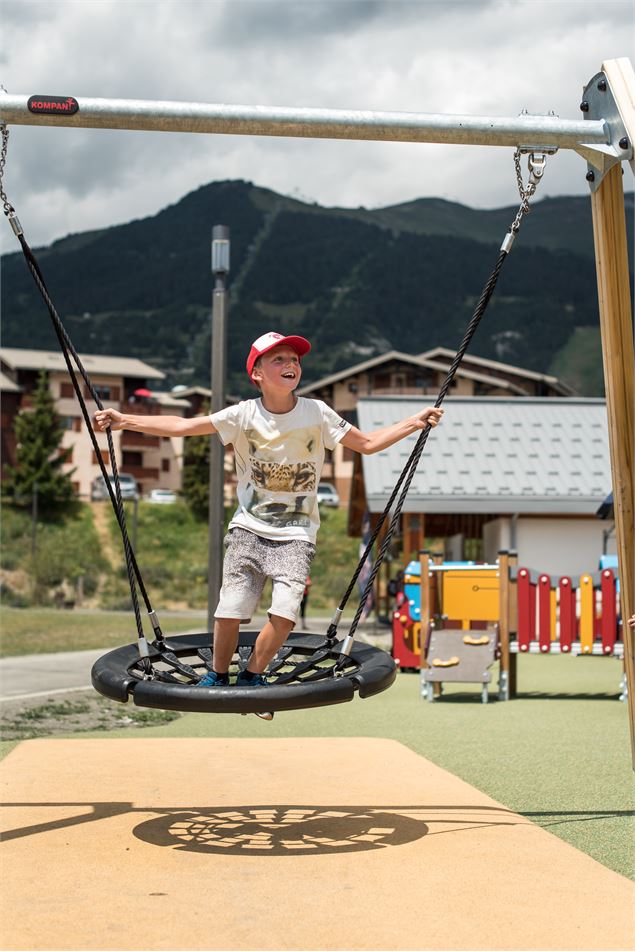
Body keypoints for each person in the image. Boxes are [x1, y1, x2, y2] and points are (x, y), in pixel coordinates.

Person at [94, 330, 444, 691]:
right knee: (230, 609)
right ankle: (217, 673)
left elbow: (368, 444)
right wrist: (125, 420)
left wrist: (414, 422)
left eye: (294, 359)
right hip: (248, 527)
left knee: (285, 612)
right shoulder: (243, 415)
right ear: (257, 374)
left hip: (296, 533)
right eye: (279, 359)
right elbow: (183, 426)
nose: (291, 364)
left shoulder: (316, 413)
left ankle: (253, 673)